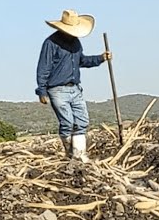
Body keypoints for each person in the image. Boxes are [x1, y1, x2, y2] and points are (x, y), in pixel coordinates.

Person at [35, 9, 112, 162]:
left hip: (75, 88)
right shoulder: (51, 43)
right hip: (57, 89)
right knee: (67, 123)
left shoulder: (76, 43)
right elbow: (43, 68)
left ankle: (80, 155)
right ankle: (70, 154)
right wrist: (42, 91)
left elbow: (81, 61)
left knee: (82, 121)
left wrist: (101, 58)